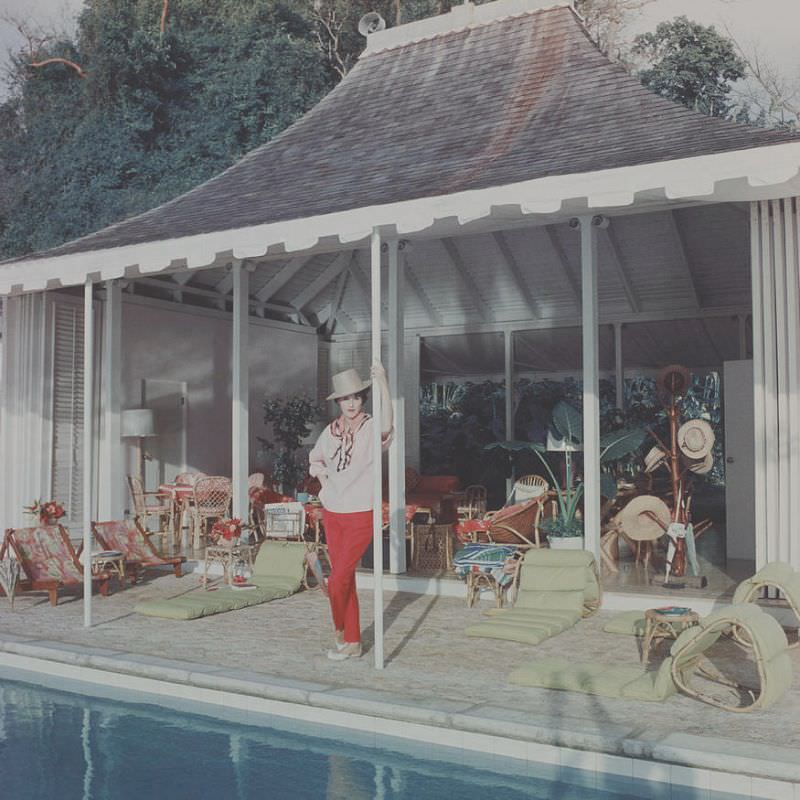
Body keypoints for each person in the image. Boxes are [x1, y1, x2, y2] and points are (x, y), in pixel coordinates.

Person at [309, 360, 393, 661]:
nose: (352, 403)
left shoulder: (371, 427)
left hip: (361, 512)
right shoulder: (330, 432)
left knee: (339, 577)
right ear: (339, 402)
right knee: (347, 580)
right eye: (346, 398)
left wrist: (382, 381)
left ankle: (340, 631)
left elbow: (387, 426)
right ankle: (354, 643)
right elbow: (315, 458)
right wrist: (323, 478)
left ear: (363, 399)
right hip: (333, 509)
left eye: (356, 397)